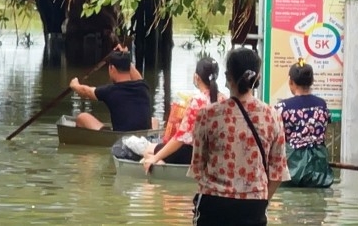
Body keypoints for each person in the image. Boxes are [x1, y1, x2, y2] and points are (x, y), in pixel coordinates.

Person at [189, 48, 290, 226]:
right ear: (257, 78)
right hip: (254, 205)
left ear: (227, 77)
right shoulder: (271, 116)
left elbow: (198, 167)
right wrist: (260, 199)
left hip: (213, 204)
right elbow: (278, 173)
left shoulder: (208, 115)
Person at [141, 57, 227, 172]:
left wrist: (156, 158)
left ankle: (164, 181)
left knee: (148, 152)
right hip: (217, 153)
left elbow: (180, 138)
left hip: (195, 153)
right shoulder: (225, 100)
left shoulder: (197, 101)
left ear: (196, 77)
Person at [274, 58, 334, 188]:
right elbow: (325, 132)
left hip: (292, 168)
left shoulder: (282, 107)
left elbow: (276, 139)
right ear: (311, 82)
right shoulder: (322, 105)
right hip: (318, 168)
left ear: (291, 82)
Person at [69, 47, 152, 132]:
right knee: (153, 120)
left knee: (82, 117)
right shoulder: (143, 86)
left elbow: (86, 91)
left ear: (112, 68)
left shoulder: (110, 91)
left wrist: (75, 85)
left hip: (121, 139)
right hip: (144, 137)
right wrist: (124, 57)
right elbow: (137, 76)